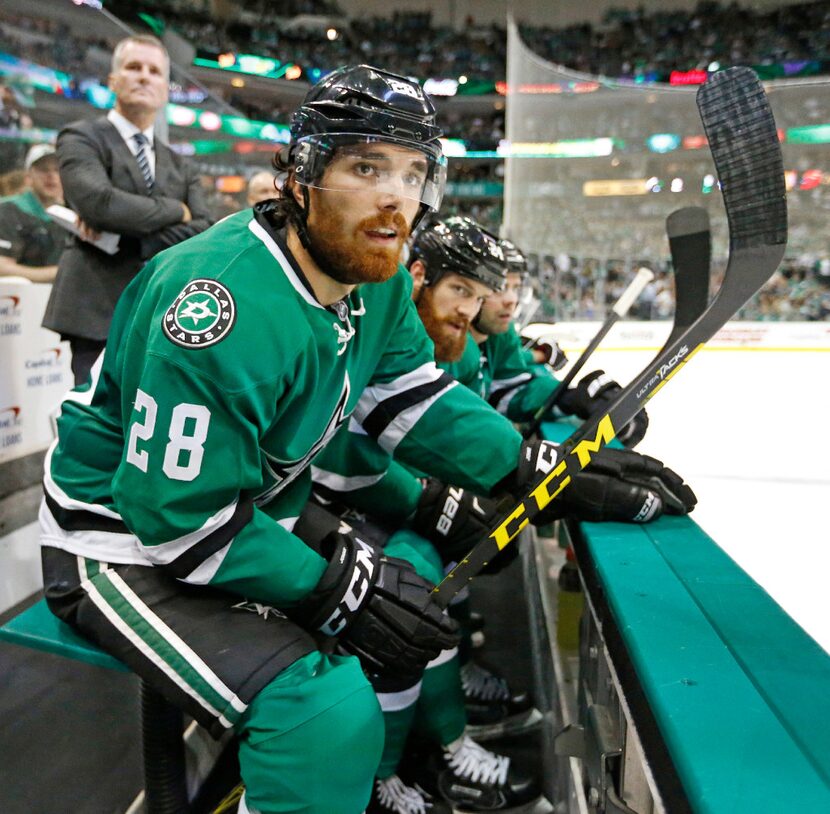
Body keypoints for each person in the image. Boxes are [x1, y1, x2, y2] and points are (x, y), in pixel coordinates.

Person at [39, 64, 577, 814]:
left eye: (414, 173)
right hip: (121, 538)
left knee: (405, 614)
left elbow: (411, 402)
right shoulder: (215, 301)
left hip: (247, 509)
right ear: (301, 178)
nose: (397, 195)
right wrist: (334, 588)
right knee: (322, 714)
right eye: (366, 167)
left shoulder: (379, 276)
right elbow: (181, 521)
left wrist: (540, 466)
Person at [42, 34, 211, 385]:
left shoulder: (181, 164)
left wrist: (130, 236)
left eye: (154, 71)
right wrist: (175, 210)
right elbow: (100, 204)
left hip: (164, 310)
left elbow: (204, 228)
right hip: (95, 309)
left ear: (165, 89)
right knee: (95, 428)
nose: (144, 77)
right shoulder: (80, 137)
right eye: (134, 68)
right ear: (114, 81)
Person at [0, 144, 65, 283]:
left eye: (57, 170)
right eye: (43, 169)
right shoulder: (7, 209)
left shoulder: (70, 216)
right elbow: (2, 267)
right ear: (29, 175)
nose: (51, 176)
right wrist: (57, 273)